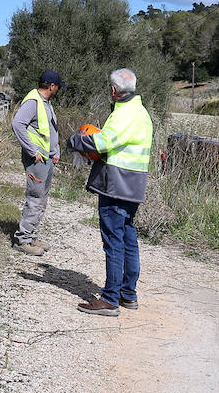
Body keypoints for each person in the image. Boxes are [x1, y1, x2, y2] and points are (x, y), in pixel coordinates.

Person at [65, 68, 153, 316]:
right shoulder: (143, 113)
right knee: (127, 239)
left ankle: (110, 299)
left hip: (116, 185)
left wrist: (74, 141)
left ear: (114, 91)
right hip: (134, 185)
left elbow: (101, 143)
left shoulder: (124, 114)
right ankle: (128, 295)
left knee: (113, 242)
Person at [11, 70, 63, 255]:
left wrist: (55, 150)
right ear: (51, 86)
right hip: (36, 158)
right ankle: (22, 240)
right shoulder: (33, 102)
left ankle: (31, 236)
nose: (57, 89)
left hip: (46, 158)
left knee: (42, 198)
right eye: (57, 86)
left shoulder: (45, 103)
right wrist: (32, 151)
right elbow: (17, 124)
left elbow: (50, 129)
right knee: (35, 198)